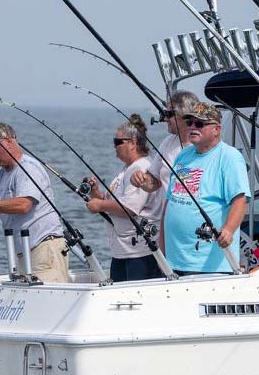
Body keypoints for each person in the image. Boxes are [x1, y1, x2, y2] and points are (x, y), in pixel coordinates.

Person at [0, 123, 69, 283]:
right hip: (23, 254)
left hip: (43, 249)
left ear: (9, 141)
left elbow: (23, 205)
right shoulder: (1, 176)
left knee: (51, 303)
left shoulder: (28, 168)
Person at [161, 102, 250, 276]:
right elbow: (169, 201)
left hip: (209, 267)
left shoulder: (230, 157)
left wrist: (229, 230)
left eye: (199, 124)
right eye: (189, 123)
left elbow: (240, 201)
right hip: (174, 261)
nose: (192, 127)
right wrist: (162, 251)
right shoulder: (183, 155)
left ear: (216, 129)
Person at [86, 115, 165, 282]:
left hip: (140, 254)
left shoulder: (142, 167)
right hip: (122, 252)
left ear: (133, 143)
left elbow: (129, 208)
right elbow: (113, 203)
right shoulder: (126, 169)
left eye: (118, 141)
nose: (114, 146)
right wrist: (96, 193)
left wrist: (99, 205)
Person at [129, 90, 198, 199]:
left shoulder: (203, 146)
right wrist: (141, 179)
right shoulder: (167, 142)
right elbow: (154, 181)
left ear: (185, 115)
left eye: (169, 114)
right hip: (168, 215)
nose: (165, 119)